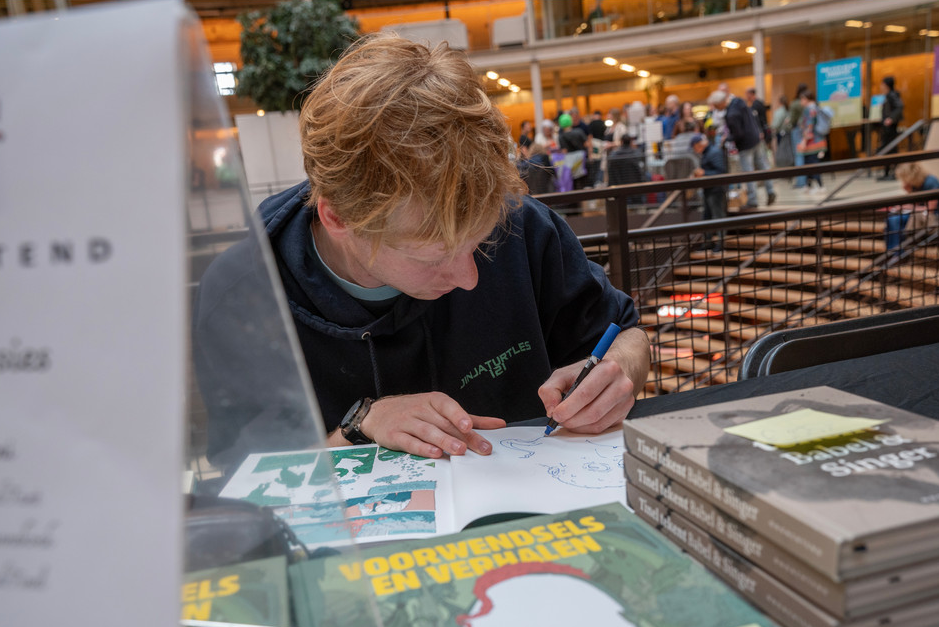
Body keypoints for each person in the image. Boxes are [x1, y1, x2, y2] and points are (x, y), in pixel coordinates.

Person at [193, 34, 649, 470]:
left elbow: (626, 333)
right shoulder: (244, 293)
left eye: (481, 240)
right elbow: (249, 478)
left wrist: (619, 370)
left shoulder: (522, 224)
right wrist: (359, 428)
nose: (470, 277)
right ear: (338, 219)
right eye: (432, 256)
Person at [723, 90, 776, 208]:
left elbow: (738, 133)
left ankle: (752, 200)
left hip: (746, 144)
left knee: (748, 172)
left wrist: (727, 139)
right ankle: (770, 190)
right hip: (756, 138)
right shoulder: (742, 104)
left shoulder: (732, 113)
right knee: (763, 166)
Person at [884, 161, 939, 253]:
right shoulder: (915, 184)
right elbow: (915, 204)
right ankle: (892, 252)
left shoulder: (931, 182)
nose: (903, 181)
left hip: (934, 216)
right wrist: (908, 194)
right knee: (891, 218)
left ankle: (897, 253)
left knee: (895, 220)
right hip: (917, 215)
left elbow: (930, 210)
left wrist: (908, 207)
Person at [691, 132, 727, 253]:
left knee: (717, 216)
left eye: (694, 147)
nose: (694, 150)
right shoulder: (708, 153)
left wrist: (704, 173)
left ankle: (720, 244)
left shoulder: (713, 152)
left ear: (698, 145)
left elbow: (720, 172)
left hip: (715, 189)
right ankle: (708, 242)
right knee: (707, 216)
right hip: (709, 189)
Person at [797, 90, 826, 194]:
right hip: (817, 140)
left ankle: (820, 185)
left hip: (812, 142)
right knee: (809, 163)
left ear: (806, 98)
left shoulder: (810, 109)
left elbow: (809, 125)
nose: (801, 101)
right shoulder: (815, 107)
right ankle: (808, 185)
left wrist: (804, 140)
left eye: (801, 99)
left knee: (812, 164)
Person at [877, 76, 905, 180]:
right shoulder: (888, 95)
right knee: (888, 150)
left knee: (891, 149)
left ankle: (893, 173)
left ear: (886, 85)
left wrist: (890, 119)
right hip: (888, 128)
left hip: (891, 128)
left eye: (882, 84)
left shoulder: (892, 95)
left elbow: (900, 106)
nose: (881, 86)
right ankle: (887, 173)